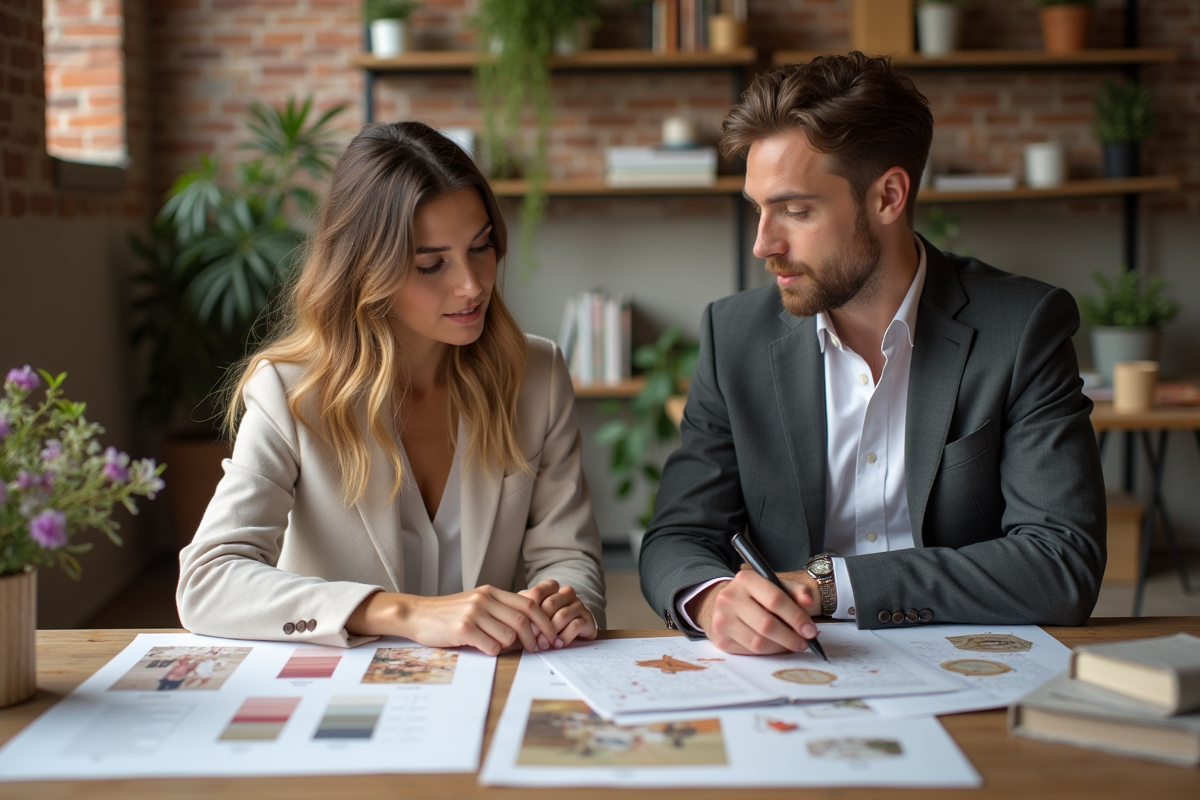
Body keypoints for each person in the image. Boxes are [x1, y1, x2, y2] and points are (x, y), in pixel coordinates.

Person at [639, 53, 1106, 656]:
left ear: (888, 196)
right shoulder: (734, 337)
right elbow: (678, 535)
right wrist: (712, 598)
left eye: (796, 211)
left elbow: (1061, 564)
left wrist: (831, 586)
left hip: (969, 664)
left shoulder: (1021, 329)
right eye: (758, 209)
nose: (763, 244)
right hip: (790, 673)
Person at [178, 121, 605, 655]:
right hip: (337, 698)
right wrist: (403, 613)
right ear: (366, 270)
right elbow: (207, 581)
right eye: (432, 265)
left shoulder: (537, 376)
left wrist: (568, 602)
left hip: (489, 686)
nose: (471, 284)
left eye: (481, 247)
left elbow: (569, 555)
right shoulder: (290, 392)